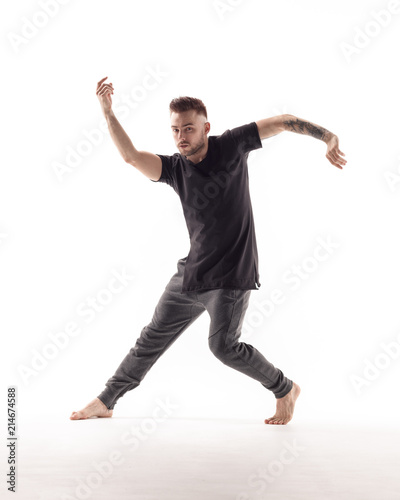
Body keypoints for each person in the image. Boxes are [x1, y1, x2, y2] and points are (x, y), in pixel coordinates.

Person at [70, 77, 346, 425]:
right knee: (151, 336)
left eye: (188, 128)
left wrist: (327, 136)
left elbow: (281, 121)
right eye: (175, 130)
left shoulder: (231, 145)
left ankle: (285, 388)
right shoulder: (174, 168)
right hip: (192, 272)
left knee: (223, 347)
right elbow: (130, 156)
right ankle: (107, 400)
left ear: (206, 127)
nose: (181, 136)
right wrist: (107, 112)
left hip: (230, 275)